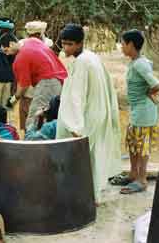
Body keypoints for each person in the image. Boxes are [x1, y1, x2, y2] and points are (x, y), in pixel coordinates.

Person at [56, 23, 122, 204]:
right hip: (98, 113)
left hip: (87, 117)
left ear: (79, 43)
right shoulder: (91, 57)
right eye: (64, 43)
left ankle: (83, 197)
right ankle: (92, 195)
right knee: (94, 157)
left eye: (70, 44)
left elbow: (77, 96)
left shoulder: (82, 62)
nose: (66, 48)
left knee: (85, 158)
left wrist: (75, 125)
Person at [119, 29, 159, 194]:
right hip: (137, 110)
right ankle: (133, 174)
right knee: (133, 144)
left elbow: (156, 85)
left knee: (141, 147)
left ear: (130, 44)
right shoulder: (136, 62)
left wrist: (148, 94)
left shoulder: (140, 64)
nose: (121, 47)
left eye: (122, 44)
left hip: (144, 112)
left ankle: (142, 180)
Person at [7, 35, 67, 129]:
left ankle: (31, 142)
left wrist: (13, 99)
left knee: (33, 120)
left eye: (7, 50)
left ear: (11, 44)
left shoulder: (20, 58)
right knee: (50, 117)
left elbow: (23, 86)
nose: (7, 54)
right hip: (60, 79)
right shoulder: (32, 41)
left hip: (47, 83)